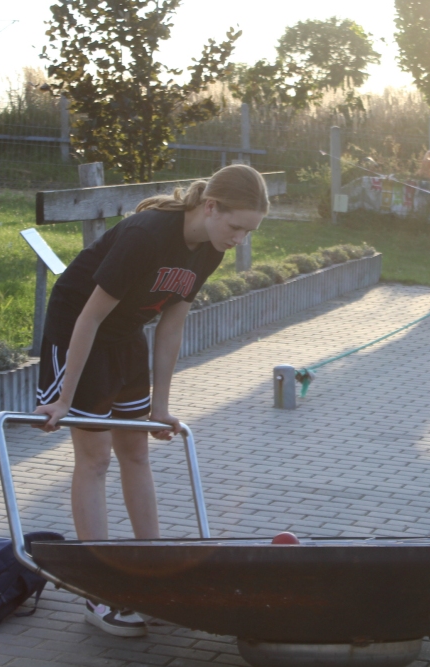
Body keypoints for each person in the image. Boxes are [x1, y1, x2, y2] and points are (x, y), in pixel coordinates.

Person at [33, 164, 269, 636]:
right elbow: (88, 317)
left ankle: (155, 571)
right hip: (79, 332)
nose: (240, 239)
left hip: (125, 336)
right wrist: (64, 398)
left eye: (249, 232)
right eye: (236, 226)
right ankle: (97, 588)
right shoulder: (145, 235)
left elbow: (171, 327)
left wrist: (160, 406)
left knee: (136, 454)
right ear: (210, 207)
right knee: (95, 458)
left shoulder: (210, 250)